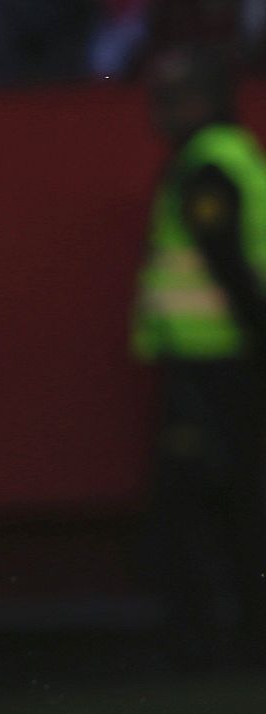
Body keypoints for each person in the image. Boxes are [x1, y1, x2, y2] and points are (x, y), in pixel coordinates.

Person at [131, 44, 266, 671]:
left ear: (206, 100)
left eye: (176, 97)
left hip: (215, 363)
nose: (164, 111)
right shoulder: (231, 158)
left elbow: (228, 265)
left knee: (206, 504)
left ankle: (211, 641)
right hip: (223, 360)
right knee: (232, 499)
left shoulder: (207, 167)